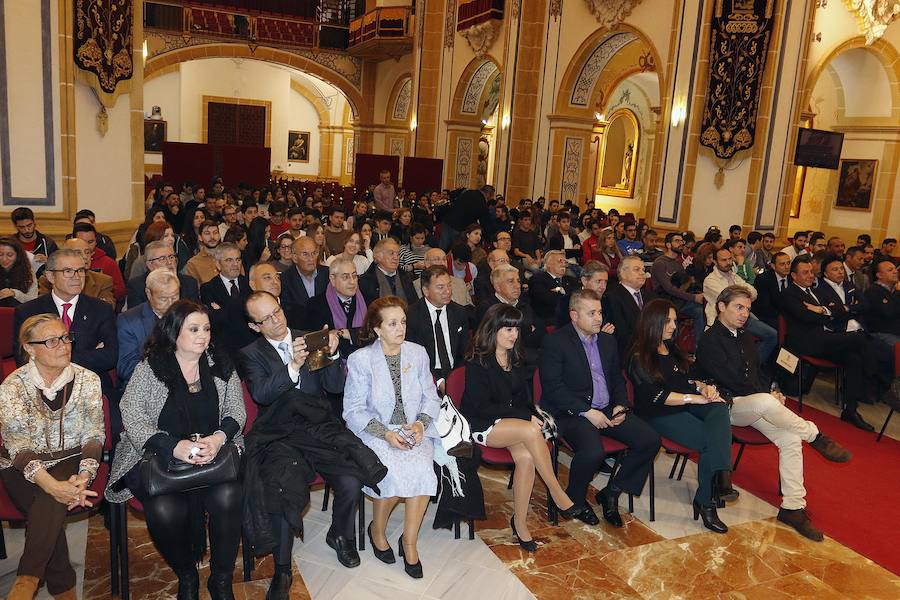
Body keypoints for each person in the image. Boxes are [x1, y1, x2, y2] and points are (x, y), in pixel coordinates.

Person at [239, 292, 383, 589]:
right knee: (283, 488)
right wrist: (292, 366)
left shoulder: (310, 337)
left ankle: (339, 534)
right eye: (266, 319)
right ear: (255, 326)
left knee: (350, 481)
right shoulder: (251, 353)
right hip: (280, 433)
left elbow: (334, 387)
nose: (276, 320)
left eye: (277, 311)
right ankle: (282, 569)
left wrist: (332, 355)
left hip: (319, 426)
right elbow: (261, 394)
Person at [106, 300, 245, 600]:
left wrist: (219, 438)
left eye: (206, 328)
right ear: (173, 332)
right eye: (193, 329)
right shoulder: (152, 367)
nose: (203, 335)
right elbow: (131, 412)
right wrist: (173, 446)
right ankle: (187, 575)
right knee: (164, 510)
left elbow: (237, 409)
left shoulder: (220, 362)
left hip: (213, 456)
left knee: (230, 494)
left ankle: (221, 580)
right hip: (163, 459)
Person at [696, 285, 852, 540]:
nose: (744, 313)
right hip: (723, 407)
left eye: (747, 308)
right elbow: (732, 380)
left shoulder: (745, 336)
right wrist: (767, 397)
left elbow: (757, 373)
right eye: (738, 307)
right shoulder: (709, 339)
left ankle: (793, 507)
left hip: (752, 403)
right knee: (767, 404)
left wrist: (772, 389)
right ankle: (816, 436)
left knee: (790, 439)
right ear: (721, 306)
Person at [461, 304, 591, 550]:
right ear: (492, 329)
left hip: (512, 423)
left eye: (516, 329)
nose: (513, 335)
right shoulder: (477, 362)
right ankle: (556, 492)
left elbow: (523, 400)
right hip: (481, 424)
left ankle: (520, 523)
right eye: (507, 329)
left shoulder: (516, 358)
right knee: (531, 430)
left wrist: (526, 414)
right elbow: (482, 407)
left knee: (527, 459)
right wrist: (525, 417)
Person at [0, 314, 103, 600]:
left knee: (49, 502)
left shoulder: (88, 380)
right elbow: (17, 446)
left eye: (66, 338)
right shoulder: (12, 386)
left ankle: (26, 583)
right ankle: (57, 589)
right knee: (51, 499)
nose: (63, 345)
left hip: (72, 459)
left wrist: (84, 477)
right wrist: (53, 486)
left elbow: (94, 435)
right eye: (52, 341)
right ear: (30, 348)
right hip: (20, 465)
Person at [540, 289, 661, 527]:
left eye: (600, 312)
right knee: (593, 452)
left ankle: (612, 491)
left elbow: (616, 378)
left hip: (606, 408)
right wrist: (587, 412)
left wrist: (620, 405)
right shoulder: (556, 342)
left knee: (650, 440)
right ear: (574, 315)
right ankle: (573, 499)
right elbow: (553, 388)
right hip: (571, 412)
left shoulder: (607, 341)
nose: (599, 318)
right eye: (592, 313)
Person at [342, 297, 440, 579]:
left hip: (412, 428)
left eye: (403, 322)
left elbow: (430, 396)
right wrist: (385, 434)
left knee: (422, 471)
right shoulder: (361, 360)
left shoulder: (417, 353)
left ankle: (409, 542)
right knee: (392, 474)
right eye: (393, 323)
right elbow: (353, 410)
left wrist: (421, 425)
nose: (401, 328)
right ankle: (377, 530)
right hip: (377, 430)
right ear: (377, 328)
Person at [627, 298, 733, 532]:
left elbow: (685, 380)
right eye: (668, 321)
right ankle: (707, 500)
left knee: (719, 406)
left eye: (675, 320)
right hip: (657, 413)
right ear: (653, 322)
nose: (674, 326)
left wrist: (701, 388)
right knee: (709, 441)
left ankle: (721, 476)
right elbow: (658, 396)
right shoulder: (639, 356)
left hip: (684, 404)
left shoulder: (671, 348)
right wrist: (694, 398)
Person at [779, 256, 874, 431]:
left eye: (811, 272)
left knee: (854, 358)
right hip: (806, 342)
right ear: (793, 276)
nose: (810, 276)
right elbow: (807, 317)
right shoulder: (789, 294)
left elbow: (836, 309)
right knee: (859, 339)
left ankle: (850, 410)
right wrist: (828, 312)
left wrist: (824, 310)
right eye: (805, 273)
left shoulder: (815, 290)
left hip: (824, 338)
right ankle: (872, 380)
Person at [14, 249, 118, 395]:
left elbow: (111, 356)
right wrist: (89, 354)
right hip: (43, 389)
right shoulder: (28, 312)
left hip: (93, 388)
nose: (77, 277)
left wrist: (50, 357)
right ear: (51, 276)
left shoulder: (101, 309)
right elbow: (24, 359)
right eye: (68, 271)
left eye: (81, 270)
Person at [702, 246, 778, 362]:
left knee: (773, 335)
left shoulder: (734, 275)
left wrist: (738, 291)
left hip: (744, 317)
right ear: (715, 261)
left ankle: (753, 364)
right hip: (723, 321)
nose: (728, 262)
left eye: (729, 259)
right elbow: (729, 299)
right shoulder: (710, 280)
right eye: (723, 260)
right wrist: (742, 290)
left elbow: (754, 293)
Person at [405, 266, 470, 380]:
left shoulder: (459, 312)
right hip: (425, 375)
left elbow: (464, 351)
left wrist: (456, 377)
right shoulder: (411, 316)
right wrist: (438, 381)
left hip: (455, 373)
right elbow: (412, 357)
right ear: (425, 290)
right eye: (440, 287)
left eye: (449, 285)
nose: (447, 291)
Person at [117, 269, 181, 386]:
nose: (171, 303)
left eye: (175, 297)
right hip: (147, 387)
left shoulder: (188, 315)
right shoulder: (129, 321)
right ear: (148, 293)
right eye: (163, 299)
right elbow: (126, 368)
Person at [305, 256, 368, 359]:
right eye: (345, 277)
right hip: (334, 364)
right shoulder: (315, 305)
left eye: (354, 276)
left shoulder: (368, 300)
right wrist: (358, 335)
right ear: (332, 279)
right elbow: (317, 343)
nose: (352, 282)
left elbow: (376, 332)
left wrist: (343, 333)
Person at [199, 243, 257, 354]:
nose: (235, 264)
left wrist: (223, 310)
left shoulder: (250, 284)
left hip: (252, 344)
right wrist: (243, 308)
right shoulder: (208, 288)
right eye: (229, 260)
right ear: (218, 264)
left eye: (238, 260)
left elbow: (255, 316)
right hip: (225, 348)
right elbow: (214, 321)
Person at [651, 233, 706, 344]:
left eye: (681, 241)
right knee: (698, 310)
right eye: (677, 241)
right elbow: (669, 289)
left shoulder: (677, 264)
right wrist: (693, 297)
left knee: (704, 308)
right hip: (665, 302)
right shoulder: (660, 263)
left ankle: (699, 349)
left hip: (678, 300)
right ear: (668, 245)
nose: (681, 243)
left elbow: (684, 285)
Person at [126, 240, 199, 308]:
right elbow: (139, 316)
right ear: (150, 265)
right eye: (162, 258)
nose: (169, 262)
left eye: (171, 257)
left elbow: (196, 312)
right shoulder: (136, 286)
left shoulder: (189, 283)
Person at [604, 255, 654, 355]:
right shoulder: (612, 298)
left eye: (643, 269)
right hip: (629, 354)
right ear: (623, 273)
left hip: (651, 351)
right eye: (637, 269)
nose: (642, 273)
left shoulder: (651, 297)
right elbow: (621, 333)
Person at [281, 236, 330, 328]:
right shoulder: (285, 279)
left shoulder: (328, 274)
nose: (311, 259)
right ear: (295, 257)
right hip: (299, 332)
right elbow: (288, 313)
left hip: (327, 329)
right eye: (305, 254)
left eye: (314, 253)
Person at [359, 238, 417, 305]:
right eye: (391, 253)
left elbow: (415, 305)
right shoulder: (366, 281)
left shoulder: (406, 277)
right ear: (378, 256)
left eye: (398, 254)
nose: (396, 257)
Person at [529, 250, 575, 326]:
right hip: (549, 322)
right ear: (548, 264)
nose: (564, 264)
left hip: (570, 320)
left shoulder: (571, 280)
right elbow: (548, 300)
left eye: (565, 262)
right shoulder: (538, 279)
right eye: (560, 261)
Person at [11, 207, 57, 277]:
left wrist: (48, 261)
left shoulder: (48, 243)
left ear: (34, 222)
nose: (27, 230)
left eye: (29, 225)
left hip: (42, 284)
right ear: (15, 226)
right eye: (22, 227)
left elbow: (60, 267)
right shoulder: (10, 244)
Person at [752, 251, 791, 330]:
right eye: (782, 264)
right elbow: (764, 306)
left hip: (789, 314)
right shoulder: (763, 279)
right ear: (773, 266)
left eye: (788, 263)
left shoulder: (793, 277)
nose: (787, 267)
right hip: (768, 316)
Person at [865, 257, 900, 346]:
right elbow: (889, 312)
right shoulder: (873, 291)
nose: (895, 271)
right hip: (882, 333)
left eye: (895, 269)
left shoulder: (894, 290)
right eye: (890, 270)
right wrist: (898, 293)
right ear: (879, 275)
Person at [0, 236, 37, 307]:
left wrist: (14, 293)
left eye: (9, 255)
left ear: (18, 255)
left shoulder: (28, 272)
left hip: (20, 312)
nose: (4, 259)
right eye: (0, 254)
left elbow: (33, 299)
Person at [183, 221, 224, 285]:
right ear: (200, 237)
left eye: (215, 233)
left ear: (219, 236)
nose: (212, 237)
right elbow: (195, 290)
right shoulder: (193, 263)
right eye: (207, 233)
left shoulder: (229, 256)